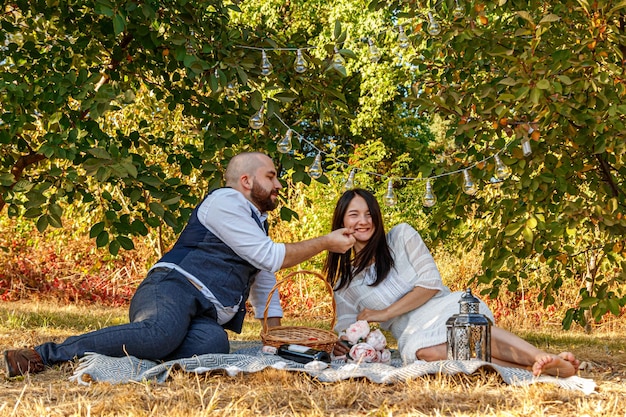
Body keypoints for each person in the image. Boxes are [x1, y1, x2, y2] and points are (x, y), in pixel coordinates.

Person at [3, 152, 356, 377]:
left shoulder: (256, 223)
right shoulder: (225, 202)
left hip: (201, 316)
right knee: (161, 332)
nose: (278, 184)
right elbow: (271, 257)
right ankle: (43, 354)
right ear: (246, 181)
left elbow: (264, 280)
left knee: (213, 346)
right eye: (272, 176)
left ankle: (139, 349)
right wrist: (326, 242)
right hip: (172, 289)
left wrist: (276, 340)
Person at [324, 188, 580, 377]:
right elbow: (346, 326)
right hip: (410, 331)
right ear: (342, 221)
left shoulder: (400, 236)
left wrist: (383, 313)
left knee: (467, 329)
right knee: (427, 353)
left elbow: (430, 284)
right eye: (354, 215)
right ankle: (542, 368)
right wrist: (343, 343)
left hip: (439, 305)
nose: (364, 221)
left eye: (369, 214)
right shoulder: (344, 281)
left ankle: (538, 357)